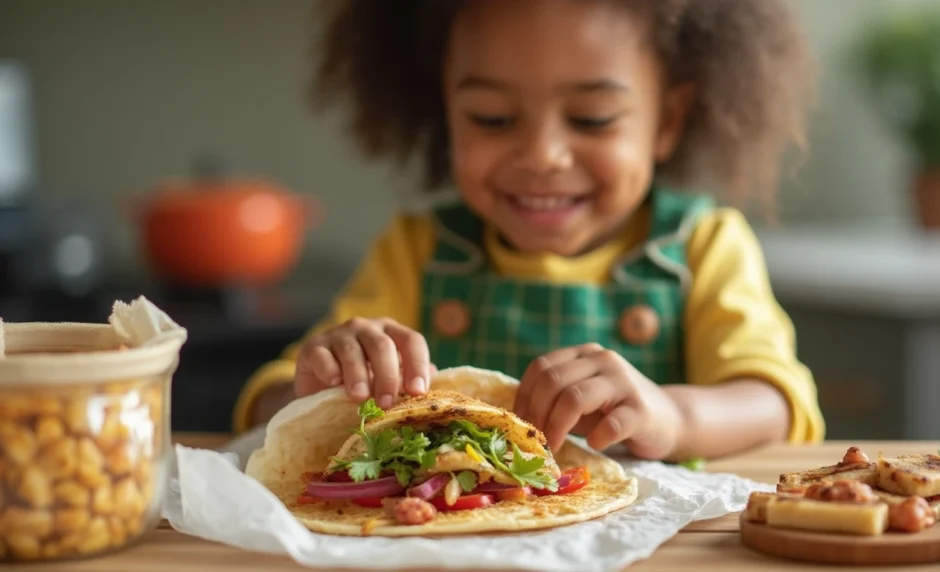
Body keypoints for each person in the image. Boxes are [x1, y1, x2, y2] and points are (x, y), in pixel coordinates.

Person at [233, 0, 826, 461]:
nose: (543, 155)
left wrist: (671, 416)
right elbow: (267, 402)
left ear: (667, 119)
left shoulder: (703, 246)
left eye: (591, 118)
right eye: (492, 118)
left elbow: (773, 402)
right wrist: (311, 390)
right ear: (444, 109)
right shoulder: (416, 251)